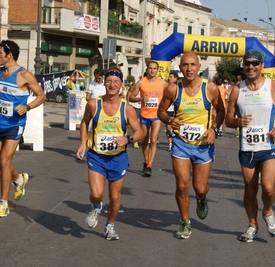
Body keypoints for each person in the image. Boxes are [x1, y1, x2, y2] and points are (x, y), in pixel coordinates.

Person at [225, 49, 275, 242]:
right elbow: (228, 120)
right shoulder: (238, 90)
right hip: (247, 147)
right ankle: (252, 224)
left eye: (255, 63)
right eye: (247, 63)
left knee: (268, 186)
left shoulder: (274, 87)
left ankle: (268, 210)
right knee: (250, 189)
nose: (251, 66)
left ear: (262, 65)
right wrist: (237, 122)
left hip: (270, 146)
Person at [157, 51, 225, 239]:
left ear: (199, 67)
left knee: (200, 187)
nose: (189, 69)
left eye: (192, 65)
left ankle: (201, 199)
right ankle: (185, 222)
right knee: (182, 185)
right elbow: (160, 112)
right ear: (180, 68)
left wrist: (214, 129)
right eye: (185, 65)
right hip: (181, 143)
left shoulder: (210, 88)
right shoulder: (173, 89)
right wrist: (170, 119)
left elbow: (221, 111)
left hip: (203, 144)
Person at [76, 67, 144, 240]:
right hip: (97, 156)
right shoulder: (94, 104)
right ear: (104, 83)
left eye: (116, 82)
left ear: (122, 86)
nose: (112, 85)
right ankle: (97, 207)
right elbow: (84, 123)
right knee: (97, 194)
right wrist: (83, 143)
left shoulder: (127, 108)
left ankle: (109, 225)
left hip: (118, 159)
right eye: (109, 81)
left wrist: (127, 139)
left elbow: (140, 132)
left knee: (114, 197)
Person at [0, 40, 46, 217]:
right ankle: (19, 179)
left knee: (4, 161)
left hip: (14, 125)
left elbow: (41, 96)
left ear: (9, 55)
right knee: (1, 162)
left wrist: (27, 107)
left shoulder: (24, 75)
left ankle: (3, 203)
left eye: (0, 53)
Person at [128, 61, 168, 177]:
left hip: (156, 116)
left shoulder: (163, 83)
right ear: (147, 69)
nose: (152, 70)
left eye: (154, 68)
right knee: (144, 140)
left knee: (154, 140)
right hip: (144, 115)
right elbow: (131, 97)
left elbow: (172, 94)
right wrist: (140, 99)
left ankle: (150, 165)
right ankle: (146, 161)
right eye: (150, 68)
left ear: (157, 70)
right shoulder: (141, 82)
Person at [165, 71, 178, 151]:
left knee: (176, 127)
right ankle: (170, 144)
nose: (169, 78)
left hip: (176, 110)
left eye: (171, 77)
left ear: (175, 78)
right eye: (169, 77)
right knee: (168, 128)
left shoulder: (179, 87)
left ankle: (176, 142)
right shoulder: (166, 86)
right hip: (168, 110)